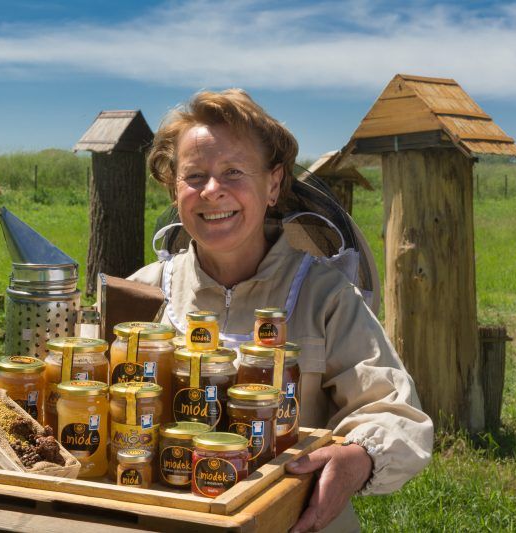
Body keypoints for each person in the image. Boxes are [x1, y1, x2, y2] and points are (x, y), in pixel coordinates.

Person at [128, 89, 433, 532]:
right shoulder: (143, 292)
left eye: (233, 172)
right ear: (174, 190)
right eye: (194, 176)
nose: (212, 191)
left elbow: (396, 412)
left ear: (273, 184)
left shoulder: (325, 296)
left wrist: (357, 457)